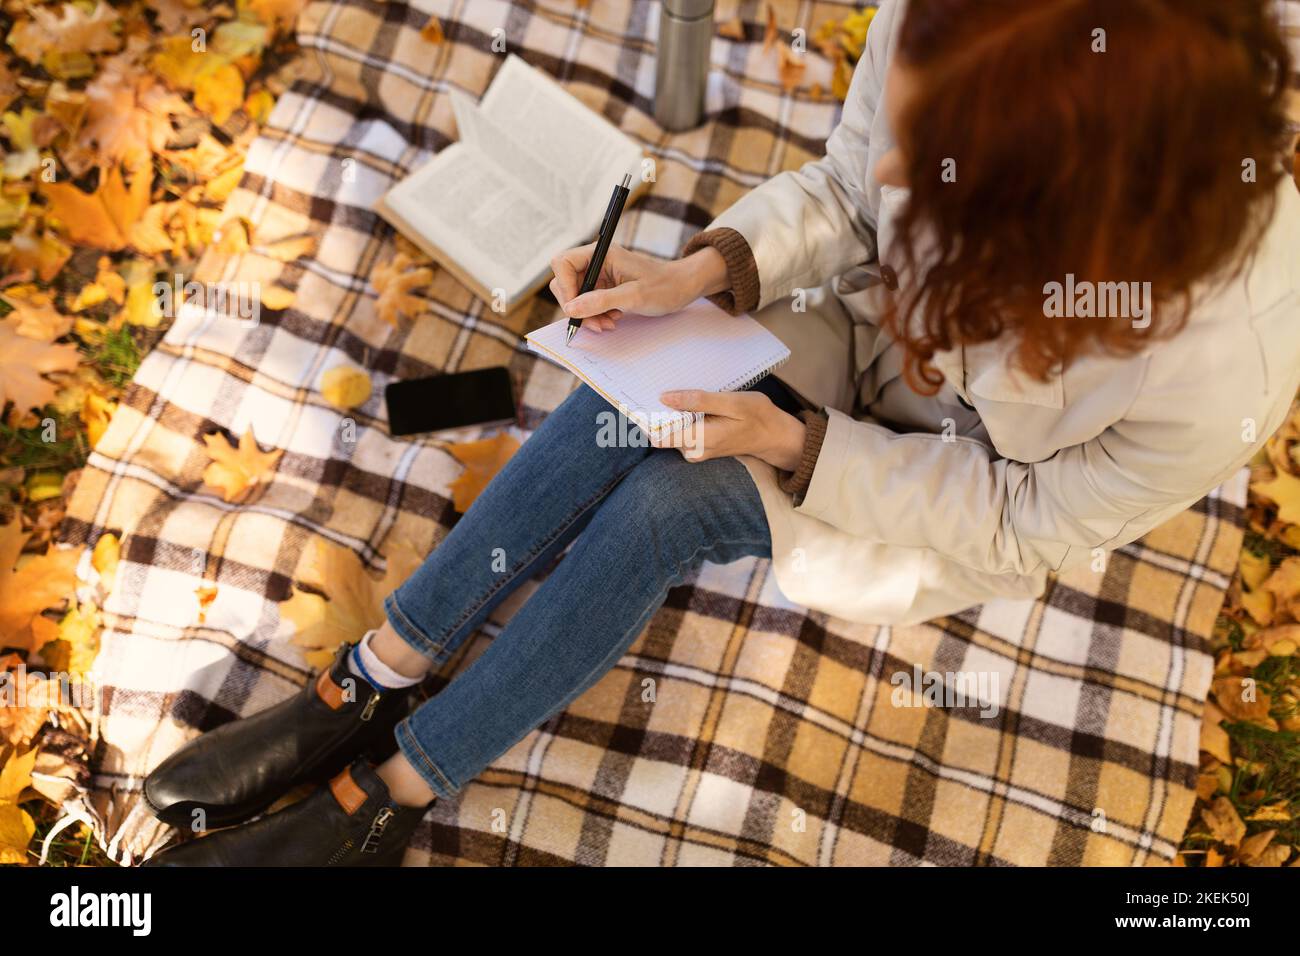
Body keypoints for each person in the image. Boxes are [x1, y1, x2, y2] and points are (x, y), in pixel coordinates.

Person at [143, 0, 1299, 865]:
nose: (903, 171)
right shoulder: (973, 21)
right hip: (857, 330)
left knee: (667, 500)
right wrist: (702, 273)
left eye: (945, 174)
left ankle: (395, 784)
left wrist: (803, 447)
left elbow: (1024, 517)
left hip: (948, 475)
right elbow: (853, 186)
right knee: (629, 388)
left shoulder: (1219, 357)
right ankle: (375, 671)